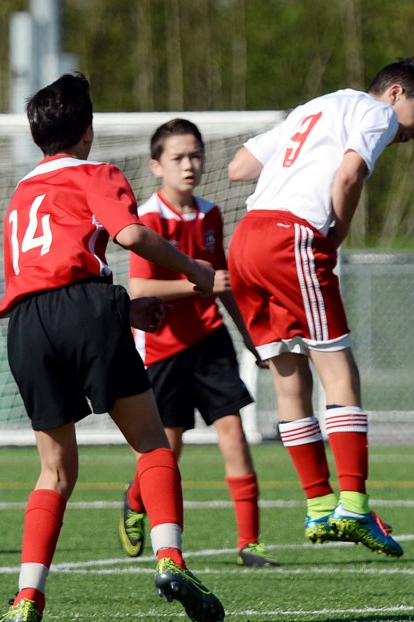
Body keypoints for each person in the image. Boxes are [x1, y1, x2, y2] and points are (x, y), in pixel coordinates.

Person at [0, 73, 225, 622]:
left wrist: (120, 310)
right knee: (151, 442)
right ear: (88, 131)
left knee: (54, 472)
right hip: (85, 308)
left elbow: (47, 278)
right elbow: (129, 236)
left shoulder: (23, 192)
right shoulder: (96, 172)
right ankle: (170, 561)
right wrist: (193, 269)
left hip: (24, 324)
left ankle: (28, 597)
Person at [225, 57, 414, 558]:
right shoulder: (376, 112)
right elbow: (347, 177)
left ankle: (319, 506)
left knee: (289, 378)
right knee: (339, 371)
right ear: (395, 93)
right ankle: (353, 503)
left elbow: (238, 167)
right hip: (293, 238)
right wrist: (337, 234)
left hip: (244, 242)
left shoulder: (313, 108)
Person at [117, 118, 277, 568]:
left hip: (209, 339)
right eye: (178, 157)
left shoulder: (209, 214)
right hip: (163, 346)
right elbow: (141, 288)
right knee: (167, 448)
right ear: (156, 166)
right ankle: (134, 500)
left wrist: (251, 339)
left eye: (195, 155)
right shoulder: (146, 219)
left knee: (234, 434)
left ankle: (250, 543)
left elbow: (223, 283)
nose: (189, 164)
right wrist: (197, 284)